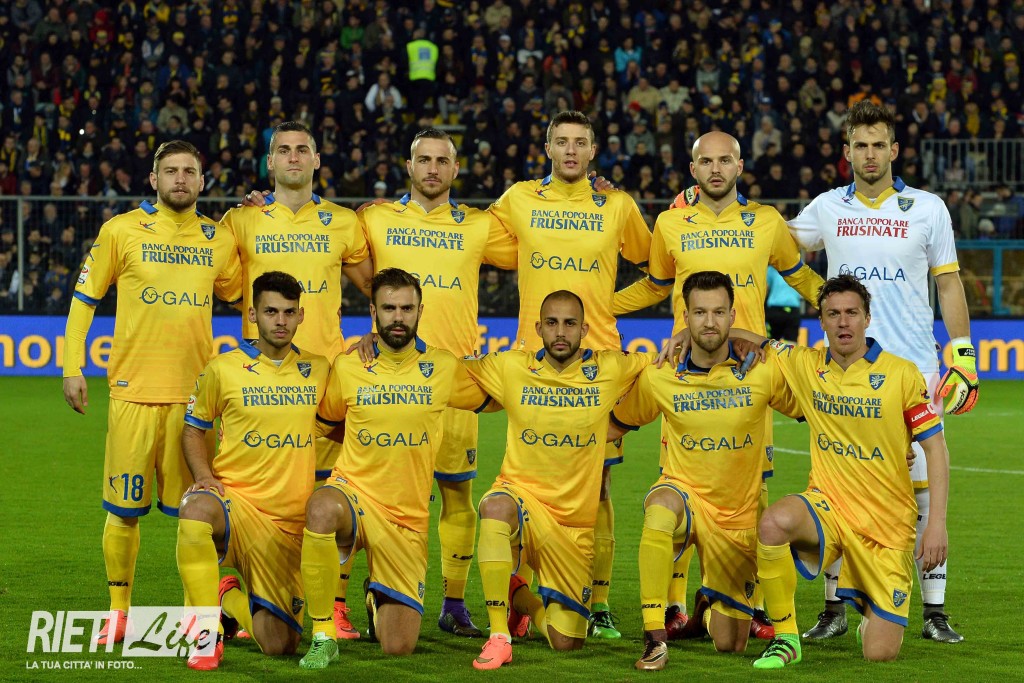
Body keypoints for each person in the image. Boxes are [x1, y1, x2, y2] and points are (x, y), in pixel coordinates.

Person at [612, 131, 824, 640]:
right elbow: (656, 286)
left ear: (740, 166)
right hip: (686, 375)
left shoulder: (766, 221)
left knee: (754, 486)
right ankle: (673, 607)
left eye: (724, 160)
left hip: (749, 375)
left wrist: (850, 310)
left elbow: (799, 276)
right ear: (692, 169)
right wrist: (600, 305)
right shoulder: (670, 224)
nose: (715, 168)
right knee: (680, 485)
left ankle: (745, 601)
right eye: (705, 161)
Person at [787, 100, 973, 643]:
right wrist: (707, 206)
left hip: (914, 370)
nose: (869, 155)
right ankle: (834, 607)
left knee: (923, 490)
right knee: (840, 486)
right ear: (847, 153)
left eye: (878, 145)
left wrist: (963, 354)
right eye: (860, 146)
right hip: (845, 369)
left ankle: (934, 611)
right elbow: (773, 244)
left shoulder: (928, 208)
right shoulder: (826, 207)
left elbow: (948, 283)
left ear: (894, 150)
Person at [61, 140, 242, 644]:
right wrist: (71, 366)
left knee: (196, 516)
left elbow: (246, 296)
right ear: (154, 179)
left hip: (194, 404)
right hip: (132, 394)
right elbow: (84, 299)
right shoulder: (120, 230)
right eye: (171, 171)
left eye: (189, 171)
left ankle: (196, 617)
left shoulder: (218, 238)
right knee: (123, 513)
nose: (180, 179)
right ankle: (118, 613)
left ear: (202, 181)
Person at [488, 109, 654, 639]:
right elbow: (467, 236)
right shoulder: (518, 199)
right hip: (533, 365)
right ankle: (521, 588)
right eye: (561, 142)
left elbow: (657, 267)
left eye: (580, 143)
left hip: (599, 363)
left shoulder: (616, 205)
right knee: (528, 481)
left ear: (593, 151)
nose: (571, 151)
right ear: (547, 148)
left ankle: (596, 602)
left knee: (598, 484)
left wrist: (608, 306)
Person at [358, 128, 518, 638]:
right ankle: (377, 592)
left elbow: (543, 244)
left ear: (455, 169)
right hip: (391, 381)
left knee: (456, 495)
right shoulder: (375, 218)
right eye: (423, 160)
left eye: (441, 160)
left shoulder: (479, 225)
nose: (432, 168)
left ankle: (453, 603)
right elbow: (336, 254)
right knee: (383, 500)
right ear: (409, 166)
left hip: (455, 381)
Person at [749, 274, 950, 668]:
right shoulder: (805, 364)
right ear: (821, 321)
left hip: (886, 526)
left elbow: (935, 448)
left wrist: (937, 524)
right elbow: (751, 340)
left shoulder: (902, 373)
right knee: (773, 523)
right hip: (829, 508)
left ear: (867, 318)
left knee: (880, 653)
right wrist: (687, 333)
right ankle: (786, 638)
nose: (843, 322)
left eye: (852, 313)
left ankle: (869, 616)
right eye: (833, 314)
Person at [222, 121, 374, 640]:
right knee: (259, 497)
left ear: (316, 160)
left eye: (302, 149)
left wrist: (377, 333)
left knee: (330, 497)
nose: (293, 157)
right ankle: (254, 593)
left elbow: (374, 286)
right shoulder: (241, 220)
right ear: (270, 162)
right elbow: (221, 284)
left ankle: (334, 605)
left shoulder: (343, 222)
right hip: (258, 383)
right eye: (283, 150)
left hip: (324, 382)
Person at [297, 268, 492, 667]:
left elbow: (501, 396)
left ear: (420, 311)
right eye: (389, 308)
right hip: (354, 494)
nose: (398, 317)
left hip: (406, 518)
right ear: (373, 312)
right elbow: (323, 422)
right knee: (321, 507)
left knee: (398, 646)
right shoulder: (349, 365)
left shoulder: (442, 367)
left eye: (406, 308)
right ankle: (323, 634)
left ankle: (377, 596)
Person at [610, 271, 800, 670]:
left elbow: (818, 409)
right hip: (685, 498)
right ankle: (654, 637)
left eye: (718, 312)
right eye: (699, 313)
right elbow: (616, 423)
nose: (709, 322)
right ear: (686, 318)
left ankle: (706, 608)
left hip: (736, 518)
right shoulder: (661, 374)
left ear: (733, 317)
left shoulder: (761, 371)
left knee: (730, 643)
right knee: (660, 507)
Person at [463, 290, 653, 670]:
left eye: (569, 323)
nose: (560, 332)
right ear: (538, 328)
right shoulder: (510, 366)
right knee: (494, 506)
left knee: (566, 642)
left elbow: (664, 366)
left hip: (573, 527)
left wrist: (621, 423)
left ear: (585, 329)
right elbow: (447, 368)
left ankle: (521, 597)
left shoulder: (611, 368)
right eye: (552, 323)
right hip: (522, 500)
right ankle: (499, 636)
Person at [176, 271, 330, 670]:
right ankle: (206, 633)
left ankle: (226, 597)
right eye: (271, 311)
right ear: (252, 315)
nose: (280, 321)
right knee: (195, 508)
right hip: (235, 505)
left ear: (300, 316)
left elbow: (345, 418)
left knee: (280, 645)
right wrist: (203, 476)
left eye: (289, 312)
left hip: (289, 524)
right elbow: (193, 429)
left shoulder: (319, 370)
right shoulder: (222, 368)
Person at [765, 266, 804, 342]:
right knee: (791, 343)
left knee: (770, 343)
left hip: (775, 310)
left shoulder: (772, 268)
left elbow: (765, 289)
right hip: (792, 310)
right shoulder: (799, 266)